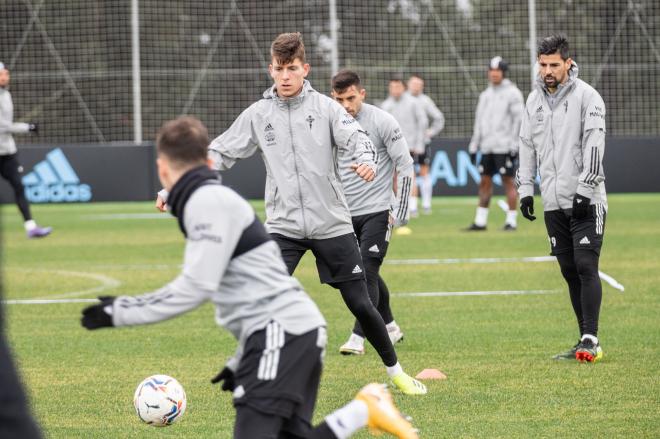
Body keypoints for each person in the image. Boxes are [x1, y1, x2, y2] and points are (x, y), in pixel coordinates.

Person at [81, 116, 419, 439]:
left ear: (162, 168)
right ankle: (364, 410)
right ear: (209, 162)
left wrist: (120, 311)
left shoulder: (205, 203)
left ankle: (366, 408)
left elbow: (195, 288)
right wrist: (240, 358)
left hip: (281, 337)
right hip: (292, 333)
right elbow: (254, 290)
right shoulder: (214, 199)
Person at [158, 33, 426, 395]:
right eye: (279, 69)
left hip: (331, 222)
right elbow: (217, 153)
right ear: (271, 69)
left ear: (305, 69)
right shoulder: (258, 114)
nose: (285, 76)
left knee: (361, 302)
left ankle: (396, 373)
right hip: (283, 227)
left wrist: (365, 159)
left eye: (292, 69)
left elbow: (358, 137)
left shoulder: (326, 108)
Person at [516, 35, 607, 363]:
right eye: (543, 64)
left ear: (568, 63)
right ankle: (584, 337)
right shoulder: (533, 100)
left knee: (585, 264)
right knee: (569, 269)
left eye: (554, 64)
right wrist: (526, 190)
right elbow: (526, 145)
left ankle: (591, 337)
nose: (548, 71)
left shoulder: (588, 97)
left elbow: (594, 145)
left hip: (587, 199)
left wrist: (585, 189)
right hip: (553, 201)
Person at [330, 69, 414, 356]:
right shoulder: (330, 124)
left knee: (366, 271)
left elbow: (405, 165)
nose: (346, 106)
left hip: (379, 211)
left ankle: (358, 337)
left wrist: (400, 212)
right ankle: (390, 325)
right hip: (342, 215)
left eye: (351, 98)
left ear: (362, 94)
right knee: (362, 274)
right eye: (339, 99)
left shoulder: (383, 121)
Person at [466, 56, 524, 231]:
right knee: (484, 181)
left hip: (505, 146)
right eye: (491, 70)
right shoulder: (485, 95)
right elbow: (479, 121)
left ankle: (511, 221)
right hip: (487, 147)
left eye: (498, 70)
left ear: (503, 72)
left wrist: (515, 145)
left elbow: (519, 120)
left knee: (508, 181)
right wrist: (474, 145)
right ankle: (480, 221)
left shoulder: (513, 93)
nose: (494, 74)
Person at [0, 62, 51, 238]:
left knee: (19, 187)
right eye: (2, 74)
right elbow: (2, 126)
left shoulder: (6, 94)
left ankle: (31, 227)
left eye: (6, 73)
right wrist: (27, 127)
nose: (5, 77)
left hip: (7, 152)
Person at [380, 78, 428, 219]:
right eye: (392, 87)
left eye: (398, 87)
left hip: (410, 146)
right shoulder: (386, 105)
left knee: (409, 175)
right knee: (394, 178)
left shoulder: (413, 103)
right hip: (390, 147)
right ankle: (399, 205)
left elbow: (422, 122)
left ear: (403, 88)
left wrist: (419, 143)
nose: (395, 90)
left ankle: (412, 207)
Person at [407, 74, 445, 215]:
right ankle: (412, 206)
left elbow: (438, 118)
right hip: (406, 142)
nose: (416, 87)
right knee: (409, 173)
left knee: (424, 172)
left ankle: (427, 204)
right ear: (409, 85)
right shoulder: (403, 100)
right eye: (413, 84)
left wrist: (430, 132)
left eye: (419, 85)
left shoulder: (425, 101)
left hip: (422, 143)